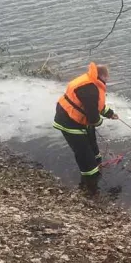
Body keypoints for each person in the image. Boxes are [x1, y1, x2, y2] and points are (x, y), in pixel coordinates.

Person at [53, 62, 118, 192]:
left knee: (92, 145)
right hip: (69, 121)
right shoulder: (90, 89)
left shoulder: (92, 82)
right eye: (107, 78)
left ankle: (97, 163)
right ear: (103, 76)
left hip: (80, 119)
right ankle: (90, 183)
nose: (108, 80)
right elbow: (94, 118)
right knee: (83, 152)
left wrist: (110, 114)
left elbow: (95, 106)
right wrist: (99, 122)